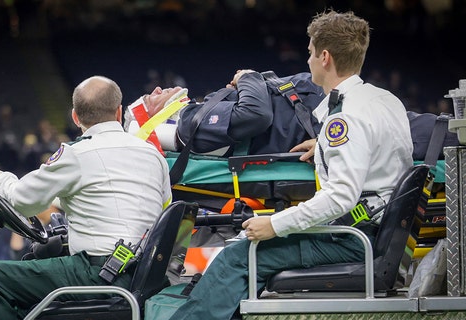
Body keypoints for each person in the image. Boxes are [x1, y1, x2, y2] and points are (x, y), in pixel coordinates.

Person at [170, 10, 414, 319]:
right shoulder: (384, 100)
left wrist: (273, 225)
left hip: (353, 238)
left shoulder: (346, 118)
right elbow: (381, 148)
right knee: (245, 252)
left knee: (236, 257)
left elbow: (341, 196)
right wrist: (324, 141)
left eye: (311, 53)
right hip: (374, 231)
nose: (308, 60)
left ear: (325, 57)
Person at [0, 75, 172, 320]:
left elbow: (23, 201)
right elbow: (163, 208)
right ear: (119, 112)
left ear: (75, 117)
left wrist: (3, 179)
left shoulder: (76, 153)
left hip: (99, 273)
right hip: (146, 274)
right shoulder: (153, 154)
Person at [124, 69, 324, 157]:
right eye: (150, 99)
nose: (157, 89)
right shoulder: (187, 126)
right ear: (153, 122)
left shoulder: (193, 116)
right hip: (316, 110)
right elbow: (256, 114)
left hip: (312, 105)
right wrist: (248, 78)